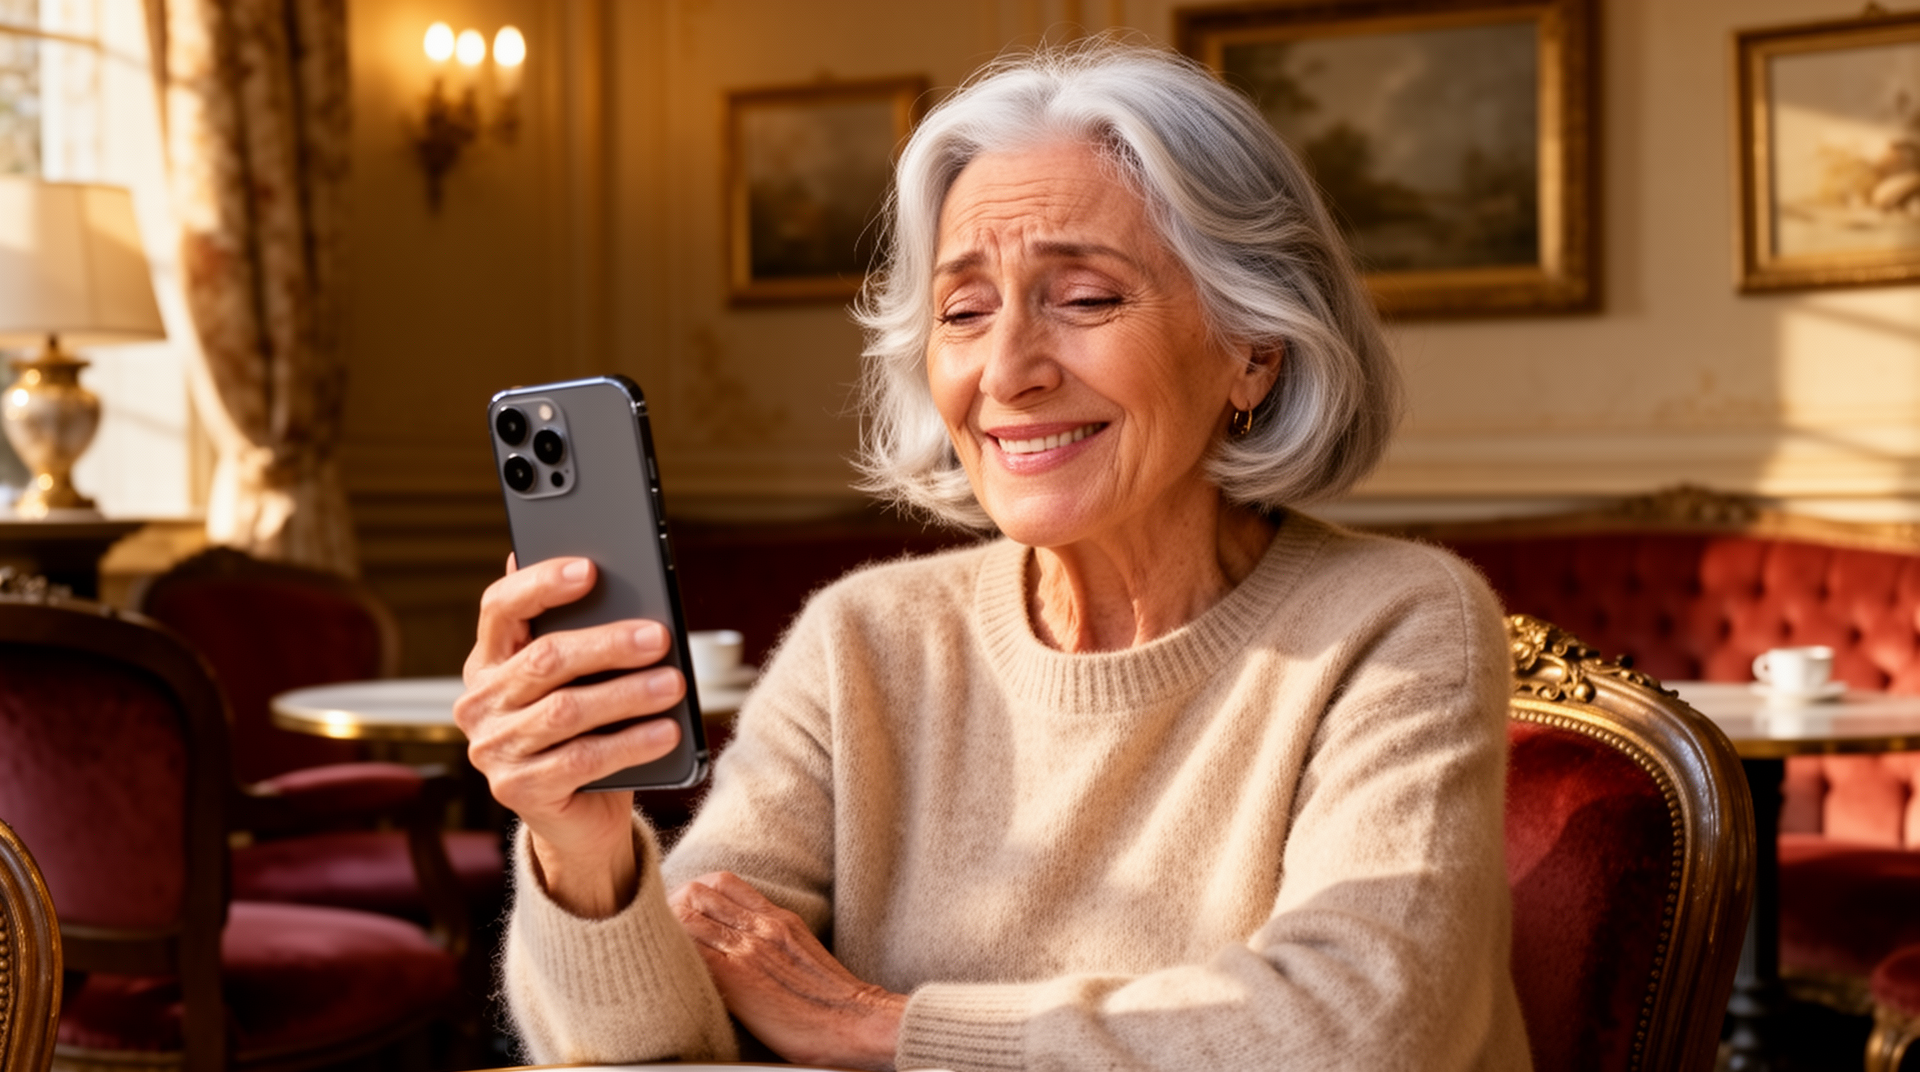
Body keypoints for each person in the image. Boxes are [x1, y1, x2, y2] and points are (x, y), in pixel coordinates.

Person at [456, 42, 1532, 1072]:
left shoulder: (1396, 622)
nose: (1007, 369)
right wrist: (582, 847)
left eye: (1086, 299)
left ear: (1253, 347)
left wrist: (881, 1026)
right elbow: (665, 1047)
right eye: (963, 310)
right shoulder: (864, 637)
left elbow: (1363, 1033)